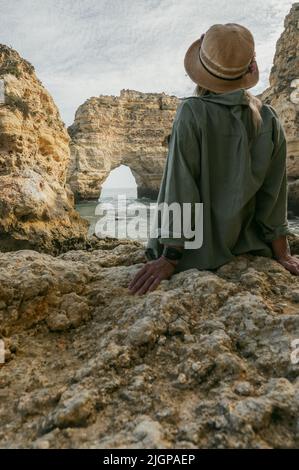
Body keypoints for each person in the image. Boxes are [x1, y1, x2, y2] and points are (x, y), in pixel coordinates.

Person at [128, 23, 299, 295]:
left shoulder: (191, 112)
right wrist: (283, 254)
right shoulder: (269, 118)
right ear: (250, 68)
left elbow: (181, 189)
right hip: (250, 247)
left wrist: (170, 257)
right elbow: (274, 197)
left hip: (196, 255)